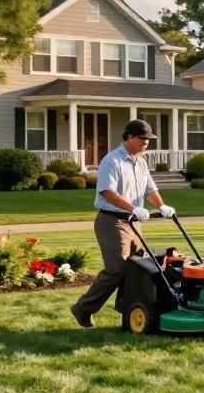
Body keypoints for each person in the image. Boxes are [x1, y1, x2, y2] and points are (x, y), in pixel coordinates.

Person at [70, 119, 175, 328]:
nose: (146, 143)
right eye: (142, 139)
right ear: (128, 137)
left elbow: (150, 190)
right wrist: (133, 208)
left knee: (140, 269)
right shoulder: (112, 161)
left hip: (133, 223)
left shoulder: (141, 161)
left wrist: (162, 206)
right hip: (111, 221)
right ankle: (83, 309)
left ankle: (133, 314)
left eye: (148, 140)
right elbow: (107, 192)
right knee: (117, 270)